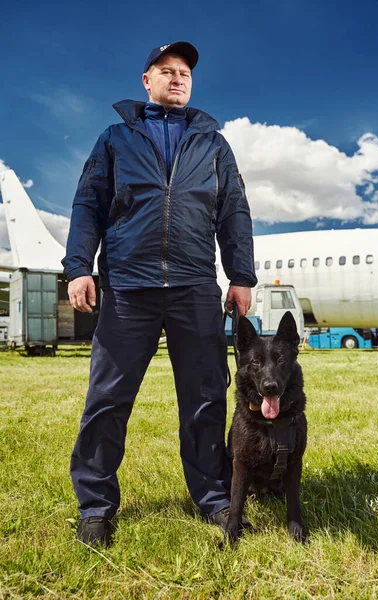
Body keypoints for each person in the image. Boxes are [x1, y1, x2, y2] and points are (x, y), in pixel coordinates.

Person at [62, 41, 257, 546]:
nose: (178, 79)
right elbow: (88, 205)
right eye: (167, 71)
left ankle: (214, 498)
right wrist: (80, 267)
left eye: (185, 73)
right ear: (145, 80)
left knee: (206, 399)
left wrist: (241, 276)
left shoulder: (213, 143)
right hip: (128, 287)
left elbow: (234, 211)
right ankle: (96, 507)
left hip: (194, 286)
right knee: (107, 400)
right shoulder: (115, 139)